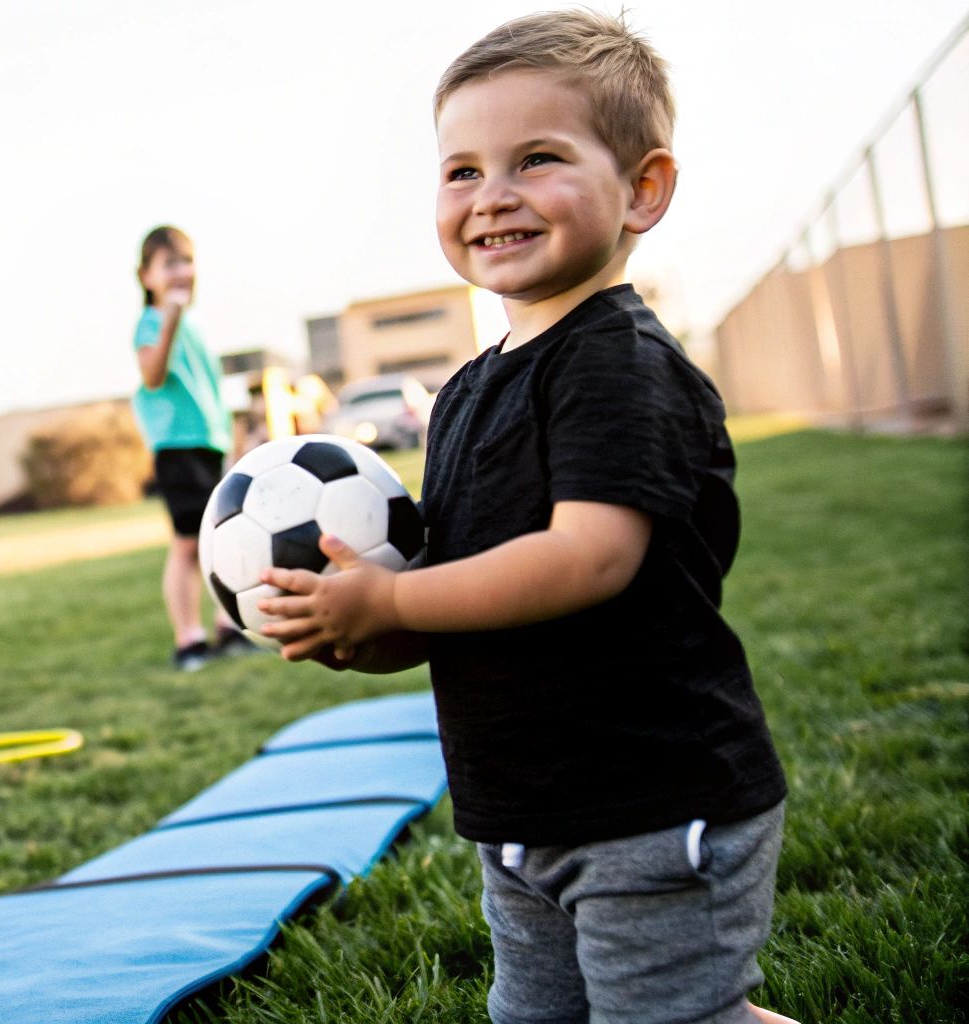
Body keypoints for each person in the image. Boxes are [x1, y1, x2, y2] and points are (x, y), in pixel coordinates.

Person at [255, 12, 795, 1024]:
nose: (490, 196)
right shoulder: (464, 391)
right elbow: (469, 589)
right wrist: (366, 628)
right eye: (460, 171)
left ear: (642, 189)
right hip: (520, 804)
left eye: (534, 159)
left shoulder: (615, 365)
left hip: (648, 793)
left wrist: (394, 593)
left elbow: (586, 558)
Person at [130, 226, 255, 671]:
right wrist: (170, 319)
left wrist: (234, 440)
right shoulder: (152, 322)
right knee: (187, 544)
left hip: (207, 443)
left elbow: (212, 393)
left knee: (222, 536)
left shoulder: (196, 327)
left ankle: (227, 626)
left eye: (185, 260)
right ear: (147, 277)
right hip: (176, 447)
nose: (181, 271)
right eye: (169, 264)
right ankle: (188, 641)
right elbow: (152, 375)